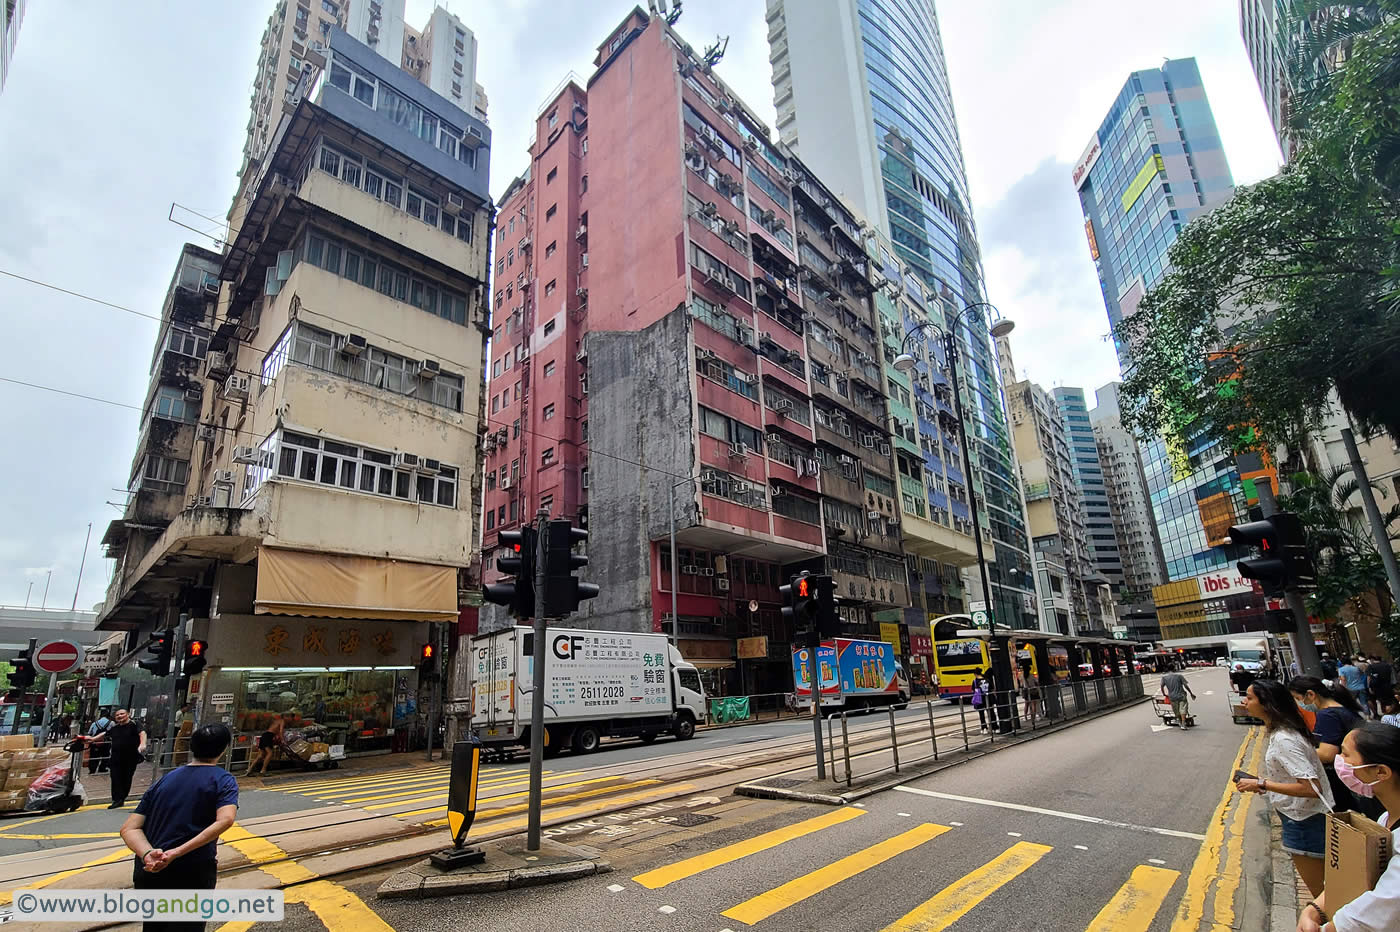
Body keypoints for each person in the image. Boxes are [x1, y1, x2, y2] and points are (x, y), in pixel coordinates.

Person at [119, 724, 238, 932]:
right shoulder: (223, 780)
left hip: (150, 871)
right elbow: (226, 819)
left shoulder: (164, 780)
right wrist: (176, 853)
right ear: (224, 749)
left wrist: (148, 854)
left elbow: (129, 828)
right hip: (190, 871)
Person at [1296, 722, 1400, 931]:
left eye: (1346, 755)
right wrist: (1313, 909)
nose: (1340, 762)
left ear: (1381, 772)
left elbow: (1380, 910)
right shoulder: (1384, 820)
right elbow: (1358, 877)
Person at [1236, 680, 1334, 899]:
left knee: (1322, 894)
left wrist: (1263, 784)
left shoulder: (1284, 739)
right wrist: (1263, 784)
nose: (1245, 702)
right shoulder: (1285, 732)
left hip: (1305, 822)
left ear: (1267, 703)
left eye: (1250, 698)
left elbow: (1311, 788)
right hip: (1305, 818)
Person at [1289, 675, 1384, 820]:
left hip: (1348, 782)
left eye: (1297, 698)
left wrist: (1297, 752)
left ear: (1310, 694)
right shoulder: (1342, 709)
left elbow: (1328, 754)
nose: (1298, 704)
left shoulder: (1328, 715)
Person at [103, 709, 147, 809]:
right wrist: (91, 739)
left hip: (130, 758)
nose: (119, 716)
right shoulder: (115, 728)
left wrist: (142, 744)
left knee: (126, 777)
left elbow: (142, 734)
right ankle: (116, 800)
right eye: (117, 715)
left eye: (122, 714)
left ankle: (122, 798)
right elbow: (105, 734)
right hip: (115, 758)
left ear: (128, 714)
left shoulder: (135, 724)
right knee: (115, 777)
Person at [244, 712, 285, 778]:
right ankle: (263, 771)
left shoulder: (275, 721)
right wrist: (282, 740)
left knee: (260, 755)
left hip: (265, 735)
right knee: (270, 753)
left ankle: (249, 770)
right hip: (268, 736)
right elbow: (280, 731)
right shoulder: (282, 721)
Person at [1367, 653, 1395, 720]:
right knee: (1389, 700)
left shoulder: (1371, 667)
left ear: (1372, 659)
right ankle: (1391, 714)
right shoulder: (1387, 665)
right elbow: (1392, 676)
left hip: (1377, 687)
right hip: (1388, 686)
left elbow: (1369, 678)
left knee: (1382, 702)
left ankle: (1386, 716)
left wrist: (1369, 687)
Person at [86, 708, 112, 775]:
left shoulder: (94, 723)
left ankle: (92, 770)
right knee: (105, 755)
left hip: (95, 742)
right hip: (106, 743)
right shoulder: (111, 723)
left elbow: (90, 732)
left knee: (94, 756)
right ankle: (102, 768)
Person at [972, 668, 995, 733]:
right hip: (988, 698)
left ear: (975, 674)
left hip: (980, 699)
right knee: (991, 713)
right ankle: (994, 727)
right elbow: (992, 689)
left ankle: (984, 728)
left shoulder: (975, 681)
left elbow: (973, 690)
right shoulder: (987, 679)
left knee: (981, 714)